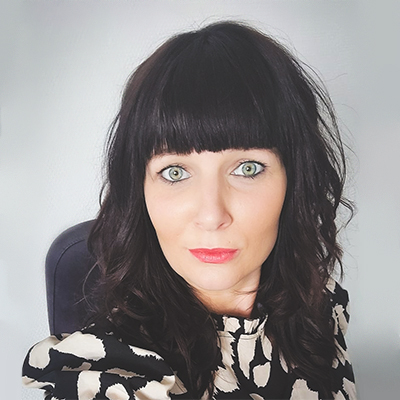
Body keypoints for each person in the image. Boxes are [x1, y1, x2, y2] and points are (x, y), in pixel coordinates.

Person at [22, 21, 356, 399]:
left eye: (248, 168)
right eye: (175, 172)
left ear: (293, 180)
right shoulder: (119, 374)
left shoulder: (320, 301)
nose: (212, 216)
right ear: (139, 192)